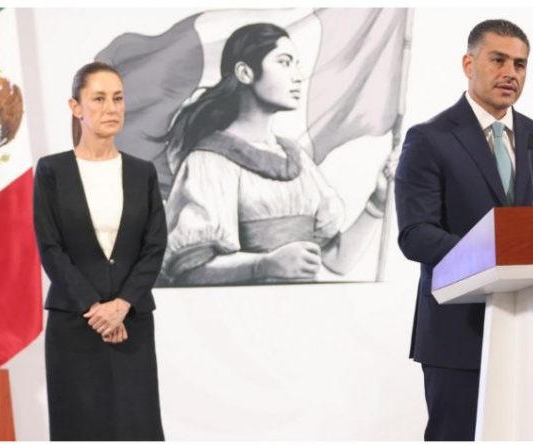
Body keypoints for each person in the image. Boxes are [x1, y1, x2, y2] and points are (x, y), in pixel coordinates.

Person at [394, 19, 533, 441]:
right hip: (458, 332)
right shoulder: (430, 139)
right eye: (498, 60)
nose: (510, 73)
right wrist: (495, 253)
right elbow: (416, 234)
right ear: (468, 64)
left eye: (520, 64)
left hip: (532, 328)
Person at [161, 23, 393, 285]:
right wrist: (264, 265)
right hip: (242, 309)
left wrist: (378, 202)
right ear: (245, 72)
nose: (298, 76)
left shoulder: (298, 160)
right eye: (284, 62)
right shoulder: (209, 161)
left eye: (296, 64)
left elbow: (337, 260)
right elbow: (189, 270)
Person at [33, 62, 167, 440]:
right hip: (75, 324)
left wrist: (121, 305)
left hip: (132, 323)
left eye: (118, 99)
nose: (112, 108)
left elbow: (154, 247)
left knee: (136, 427)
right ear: (76, 107)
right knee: (80, 428)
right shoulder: (52, 171)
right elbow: (50, 248)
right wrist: (96, 310)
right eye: (99, 99)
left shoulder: (142, 173)